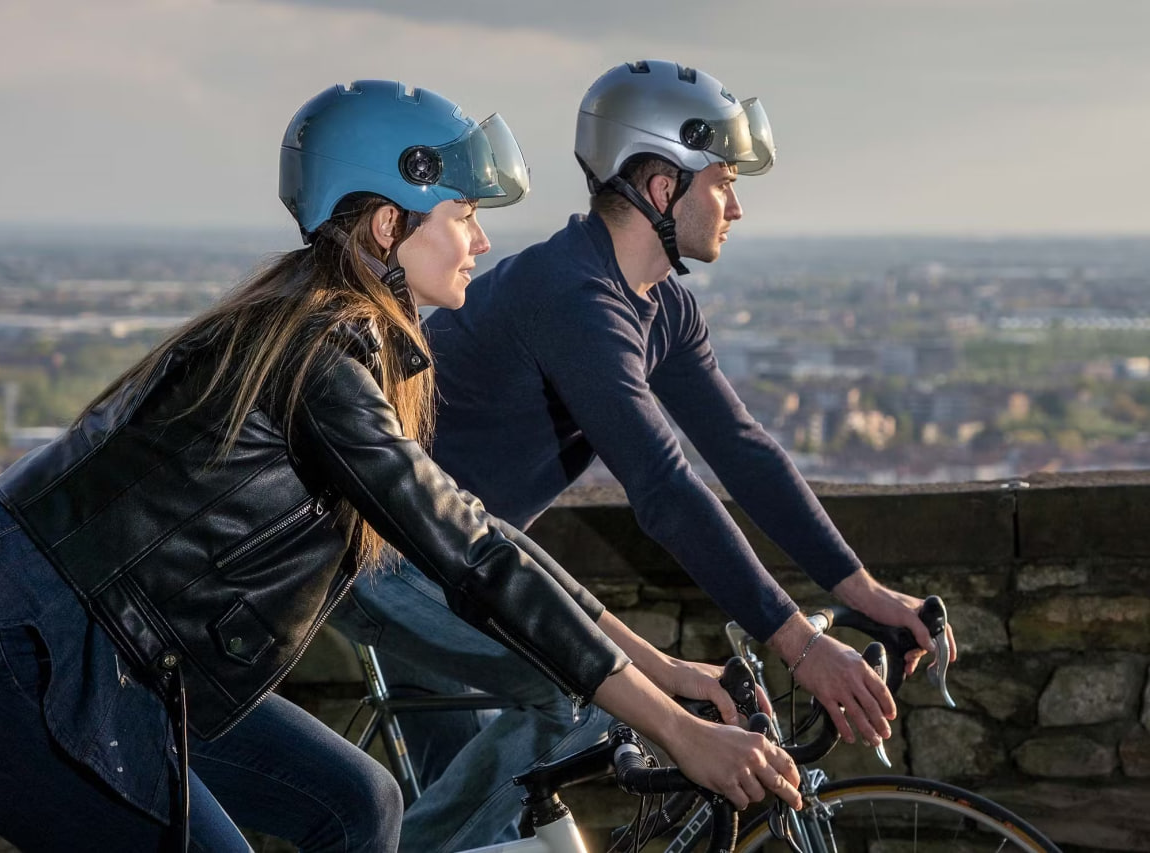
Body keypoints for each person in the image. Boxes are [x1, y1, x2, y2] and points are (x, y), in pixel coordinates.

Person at [0, 79, 803, 853]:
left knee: (358, 805)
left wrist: (655, 665)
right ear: (391, 224)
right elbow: (475, 558)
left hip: (116, 666)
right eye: (466, 213)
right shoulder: (321, 355)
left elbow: (479, 532)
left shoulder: (343, 335)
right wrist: (675, 731)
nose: (482, 238)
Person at [331, 60, 960, 852]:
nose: (735, 205)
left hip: (465, 554)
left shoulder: (660, 307)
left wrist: (862, 591)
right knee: (582, 690)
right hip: (381, 551)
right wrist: (800, 647)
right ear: (662, 188)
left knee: (486, 832)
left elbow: (742, 452)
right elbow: (665, 489)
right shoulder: (573, 296)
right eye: (723, 182)